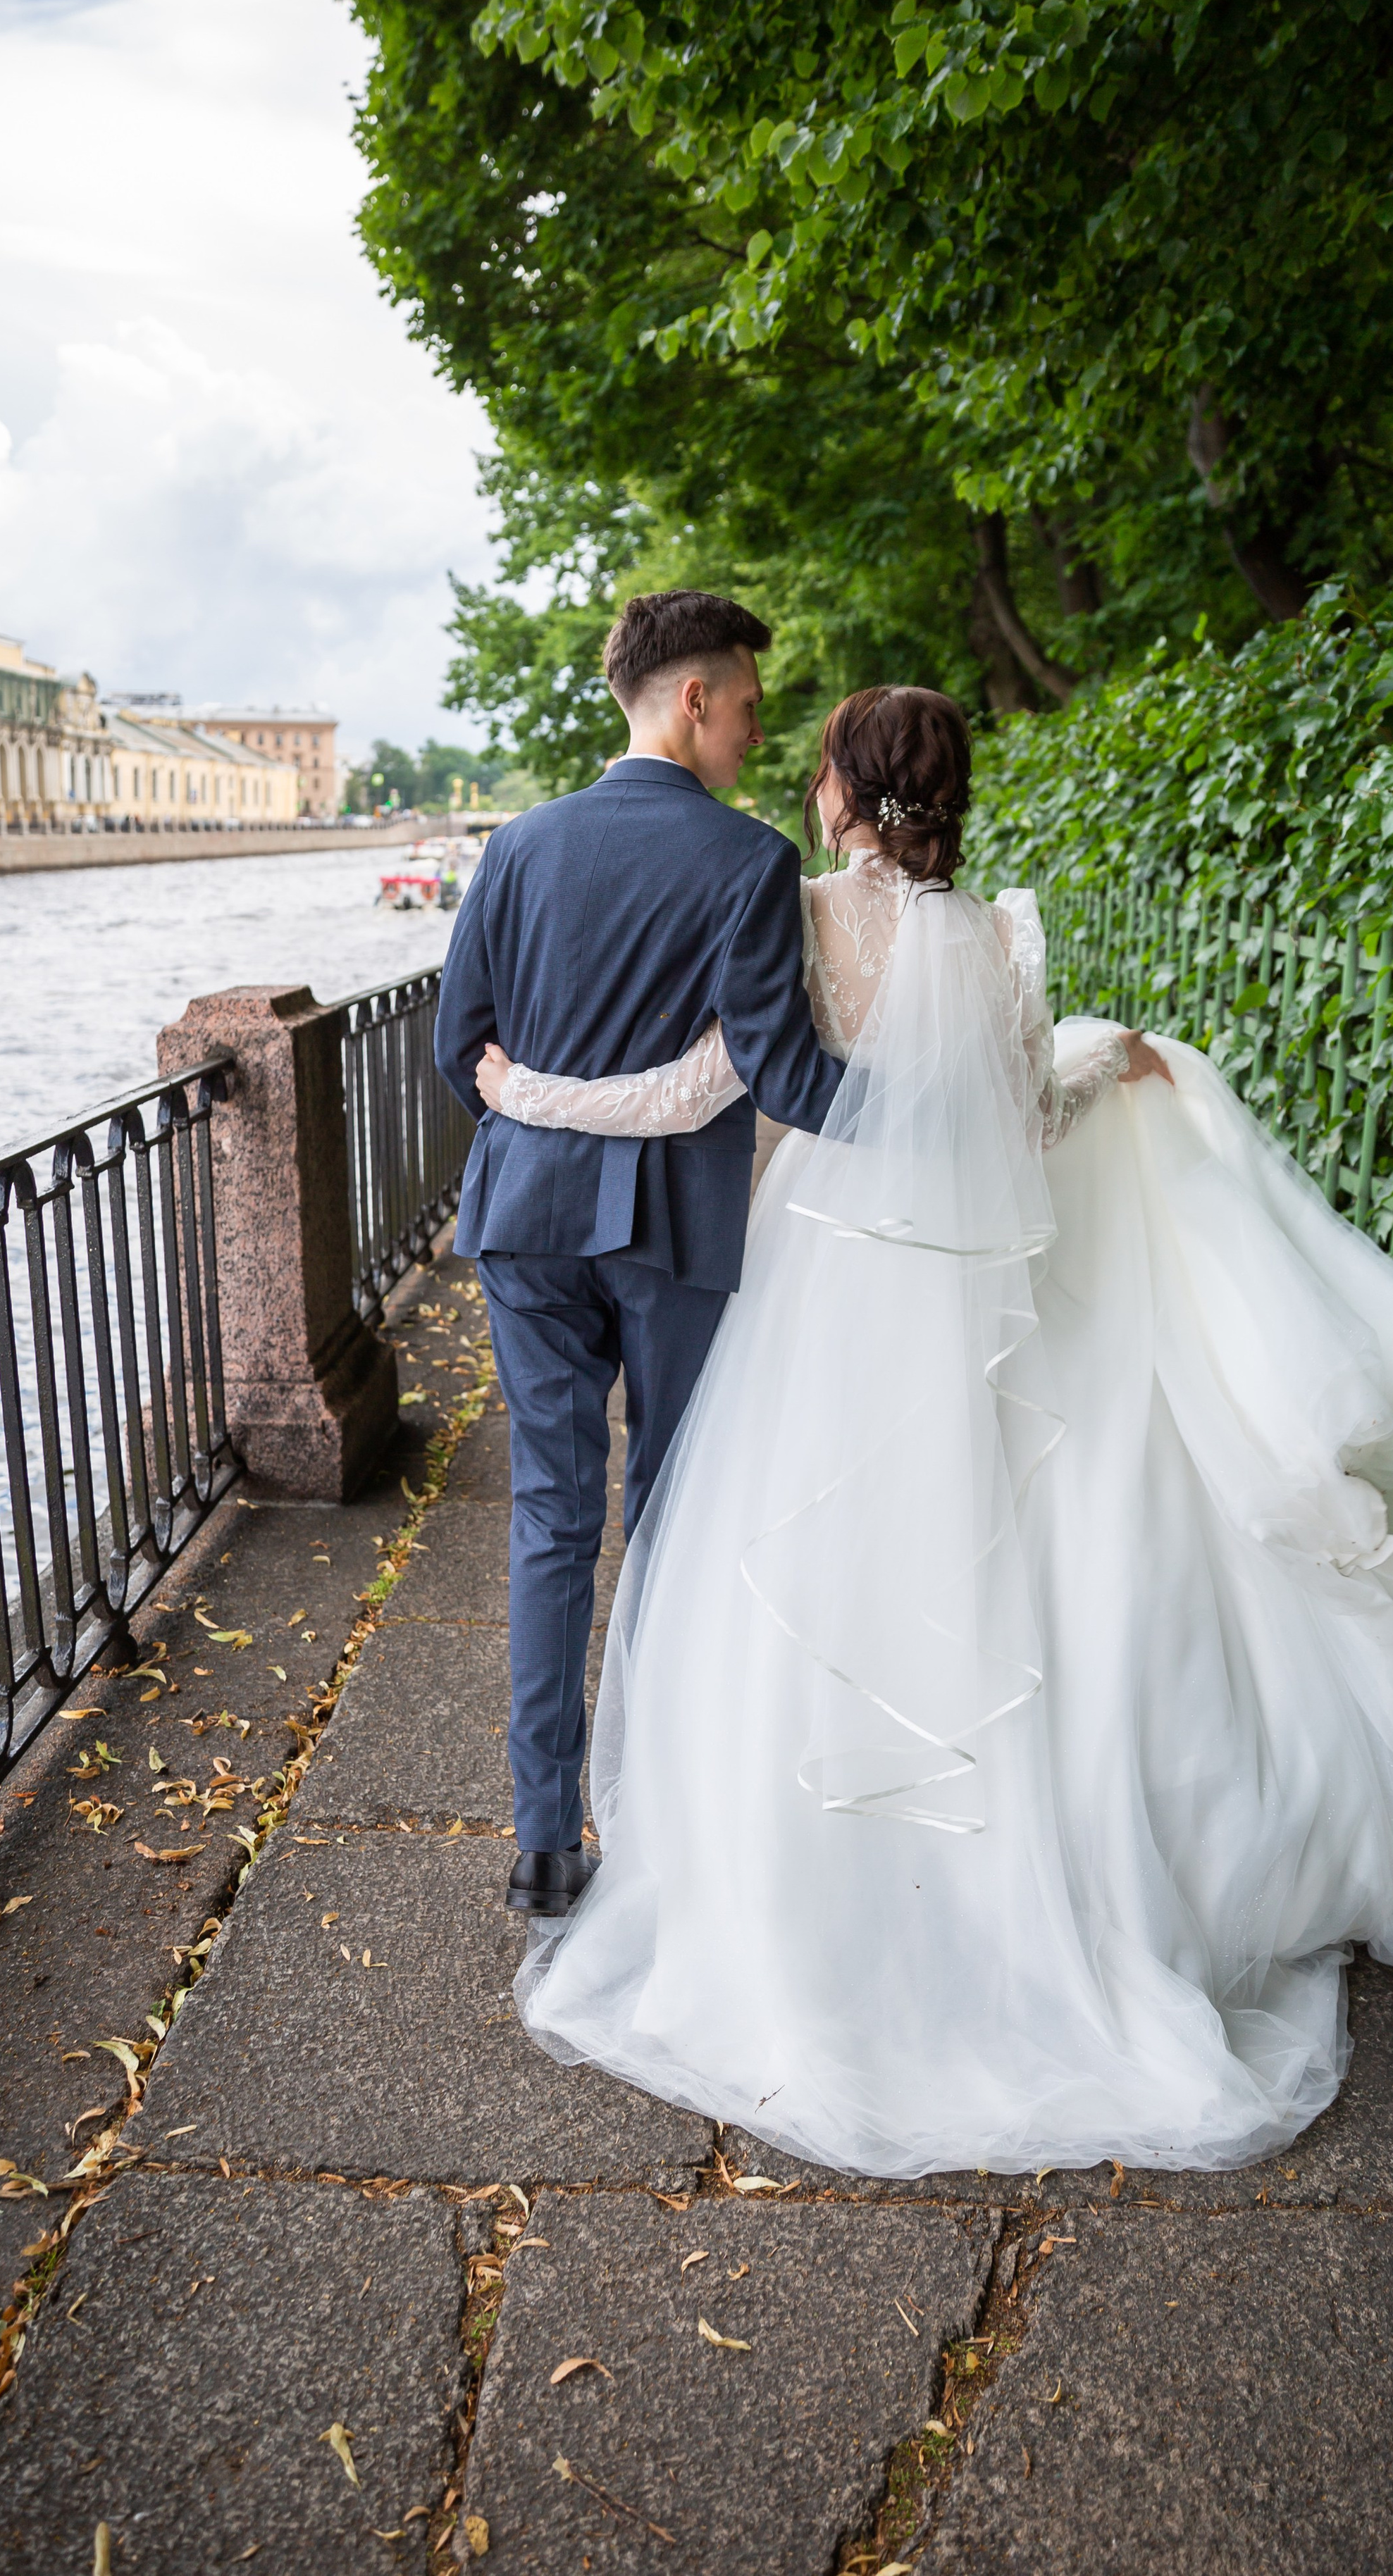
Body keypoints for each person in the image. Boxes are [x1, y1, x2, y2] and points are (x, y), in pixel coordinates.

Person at [472, 682, 1393, 2179]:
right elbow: (1019, 1121)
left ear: (839, 791)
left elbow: (754, 1075)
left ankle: (789, 1892)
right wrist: (1106, 1062)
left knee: (789, 1556)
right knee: (987, 1539)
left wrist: (530, 1087)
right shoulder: (1004, 932)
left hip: (827, 1256)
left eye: (817, 760)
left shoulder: (800, 905)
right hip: (970, 1278)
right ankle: (997, 1887)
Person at [433, 591, 844, 1919]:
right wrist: (937, 1118)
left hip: (528, 1217)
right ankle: (668, 1805)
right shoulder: (747, 861)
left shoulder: (516, 845)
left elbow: (461, 1050)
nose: (755, 731)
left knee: (552, 1517)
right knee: (672, 1511)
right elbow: (781, 1068)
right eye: (747, 706)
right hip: (674, 1226)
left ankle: (547, 1841)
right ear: (693, 700)